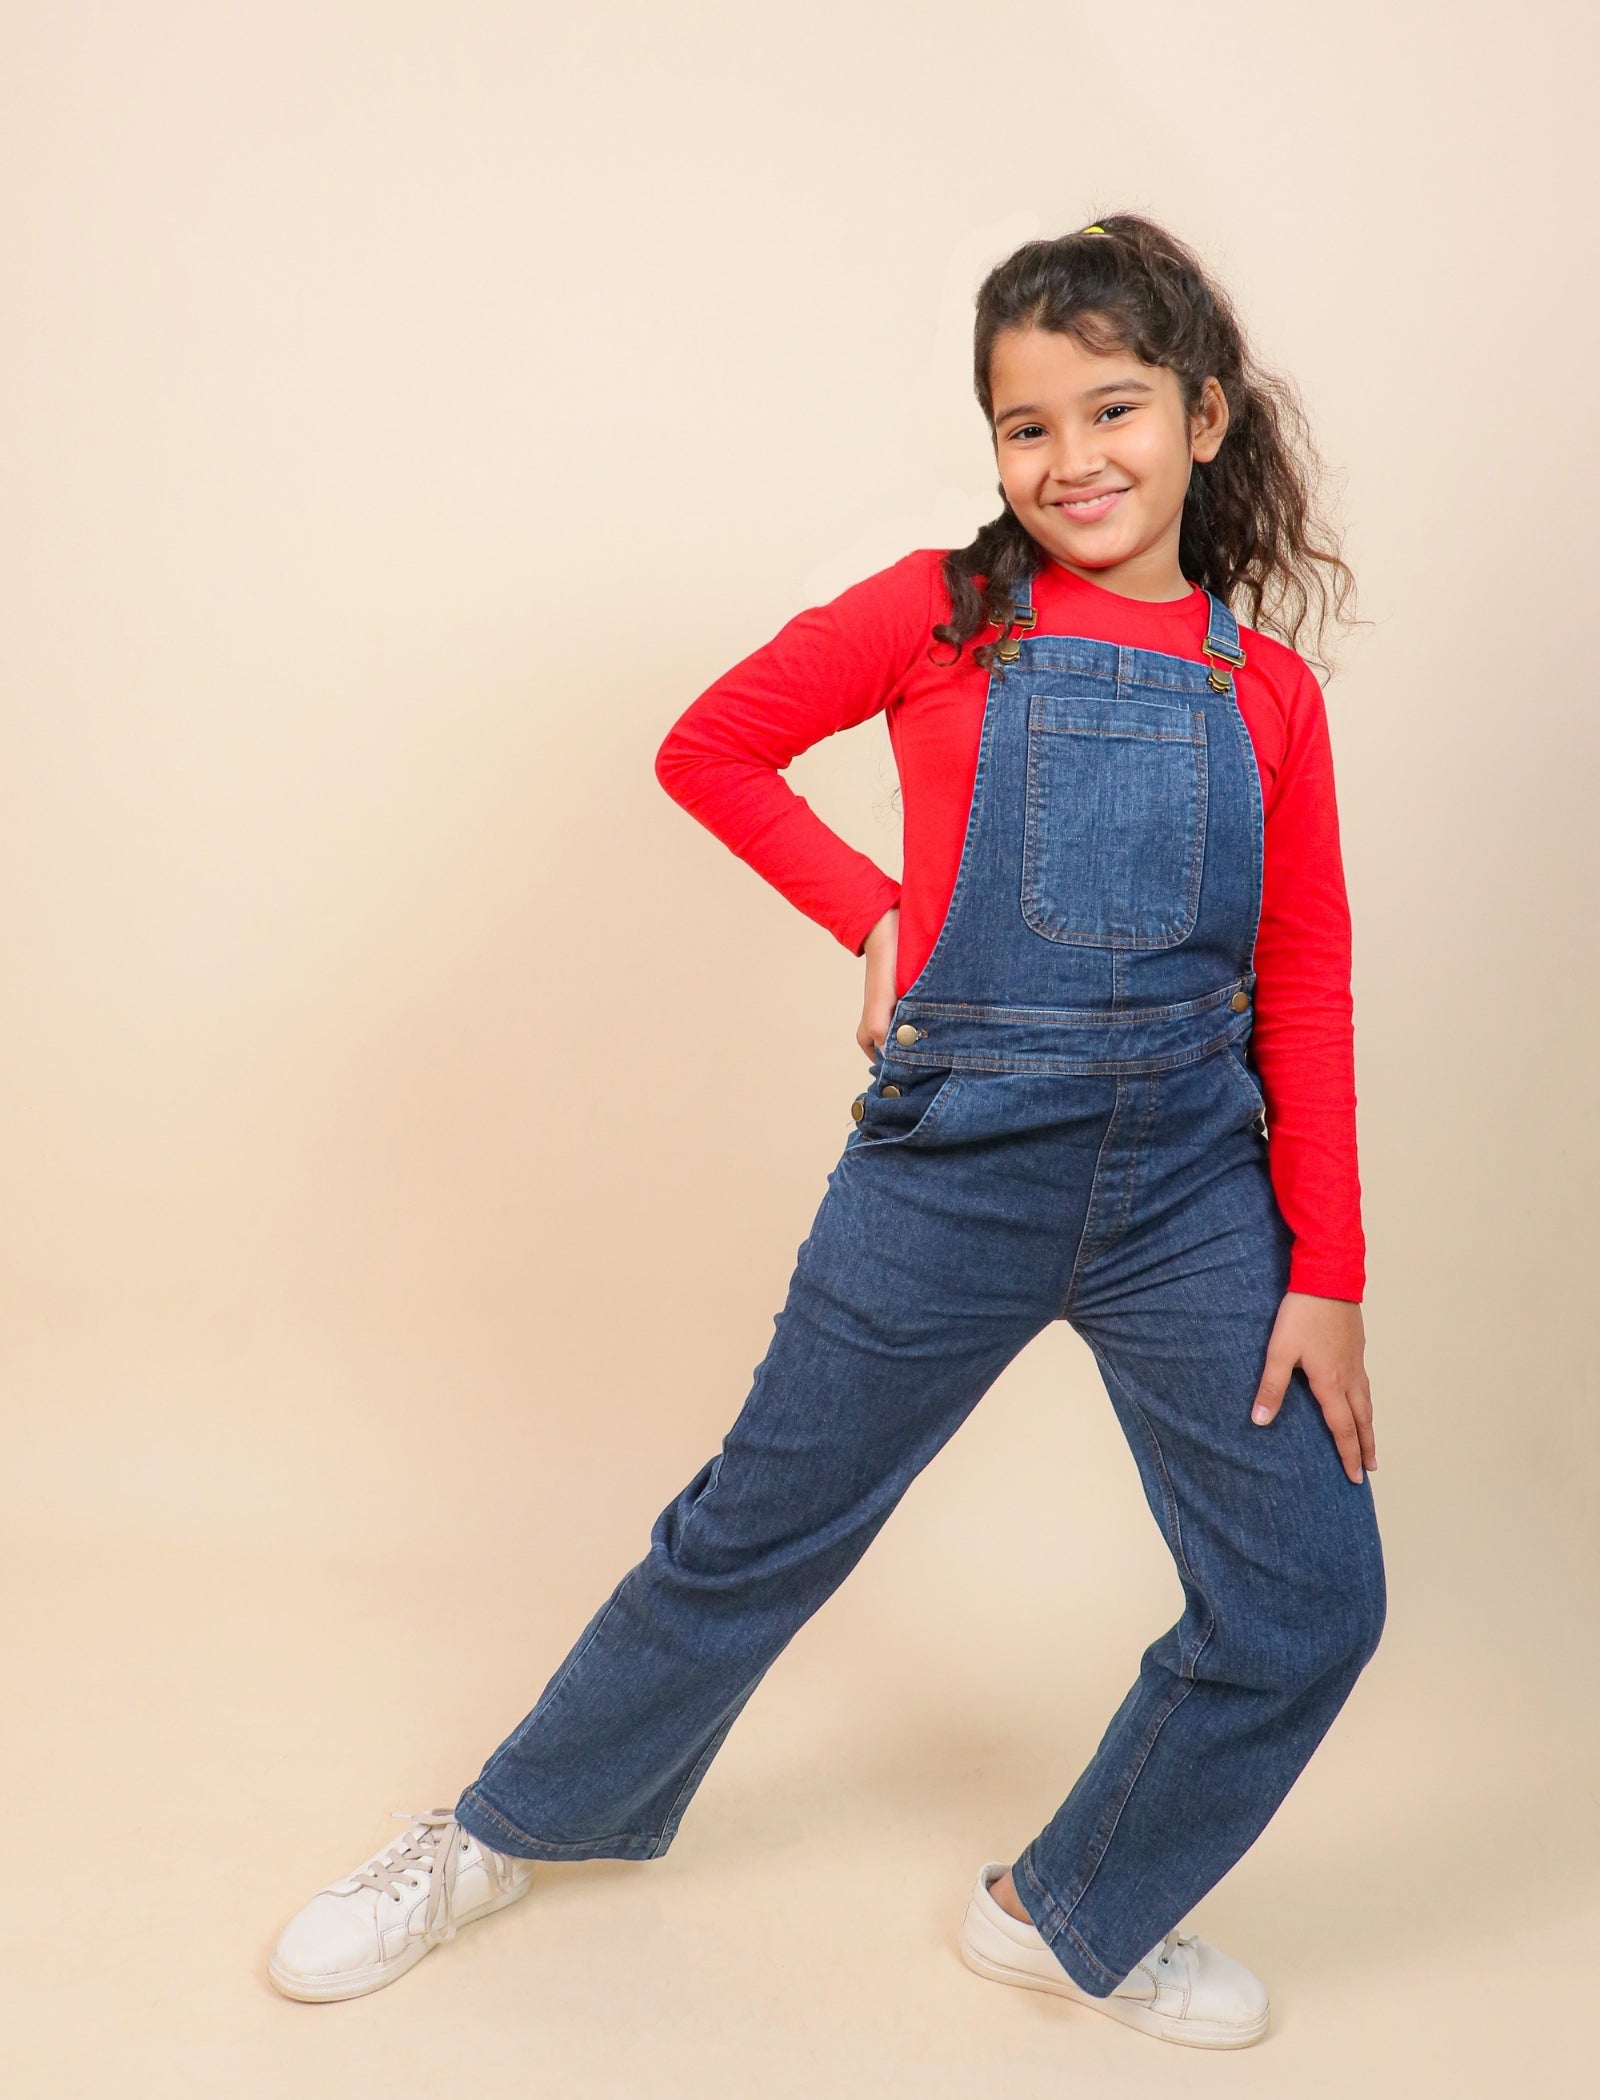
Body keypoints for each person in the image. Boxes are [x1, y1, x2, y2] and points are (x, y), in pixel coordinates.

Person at [268, 214, 1385, 2049]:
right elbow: (710, 745)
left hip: (1197, 1192)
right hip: (955, 1170)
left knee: (1311, 1596)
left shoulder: (1265, 691)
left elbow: (1310, 986)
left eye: (1112, 409)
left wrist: (1325, 1270)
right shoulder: (941, 616)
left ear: (1203, 417)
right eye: (1025, 426)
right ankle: (496, 1832)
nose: (1071, 458)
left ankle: (1072, 1910)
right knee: (753, 1531)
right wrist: (876, 910)